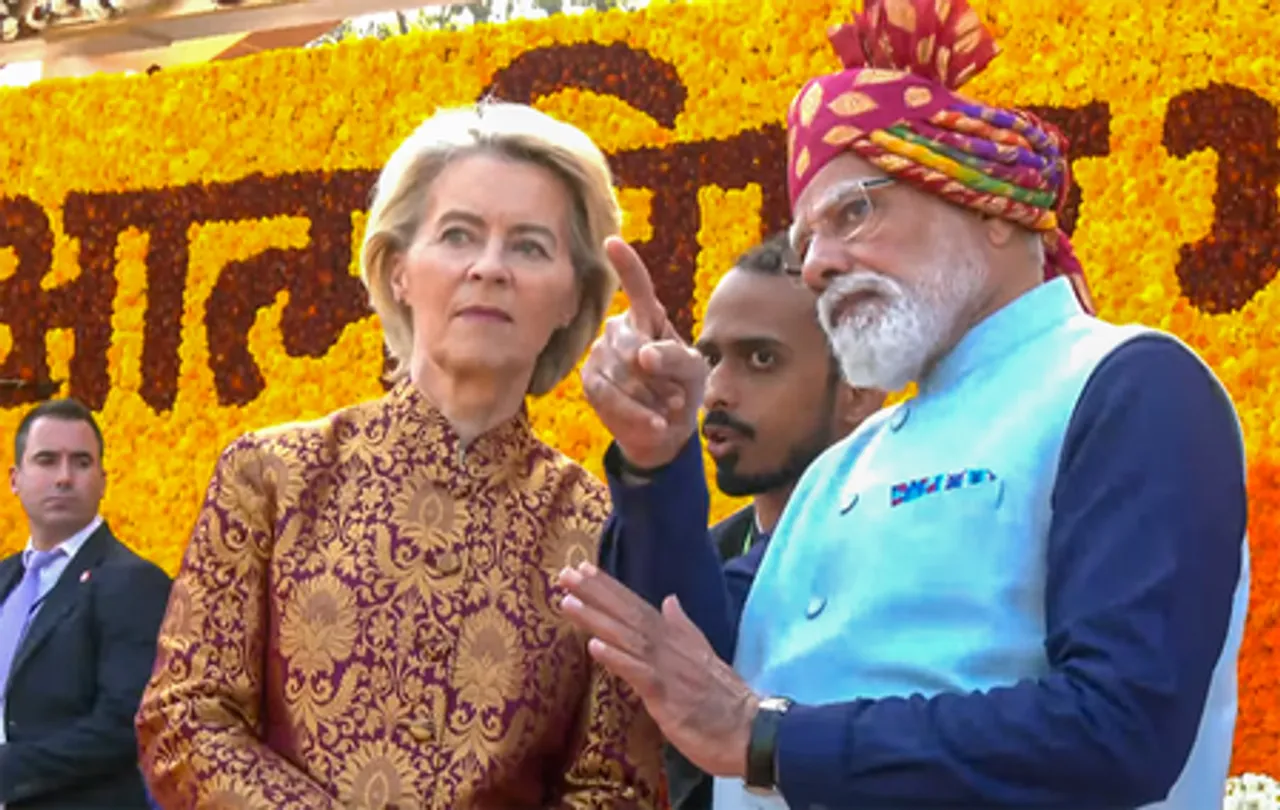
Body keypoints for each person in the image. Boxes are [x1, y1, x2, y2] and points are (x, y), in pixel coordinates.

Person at [557, 1, 1249, 808]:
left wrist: (771, 739)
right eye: (807, 236)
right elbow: (697, 660)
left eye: (854, 210)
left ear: (990, 208)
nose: (815, 264)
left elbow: (1117, 726)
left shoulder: (1127, 384)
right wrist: (655, 460)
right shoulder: (845, 466)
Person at [135, 102, 664, 809]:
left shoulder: (598, 529)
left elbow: (614, 787)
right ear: (398, 270)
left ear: (573, 297)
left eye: (531, 246)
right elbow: (187, 720)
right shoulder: (272, 475)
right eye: (458, 235)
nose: (489, 268)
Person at [604, 232, 882, 810]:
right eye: (709, 360)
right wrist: (648, 456)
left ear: (858, 388)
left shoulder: (912, 546)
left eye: (761, 360)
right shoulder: (706, 553)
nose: (717, 393)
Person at [0, 398, 171, 810]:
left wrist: (7, 770)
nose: (63, 477)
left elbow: (124, 725)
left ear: (102, 480)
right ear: (14, 479)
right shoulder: (5, 579)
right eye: (46, 460)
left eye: (80, 462)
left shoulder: (133, 581)